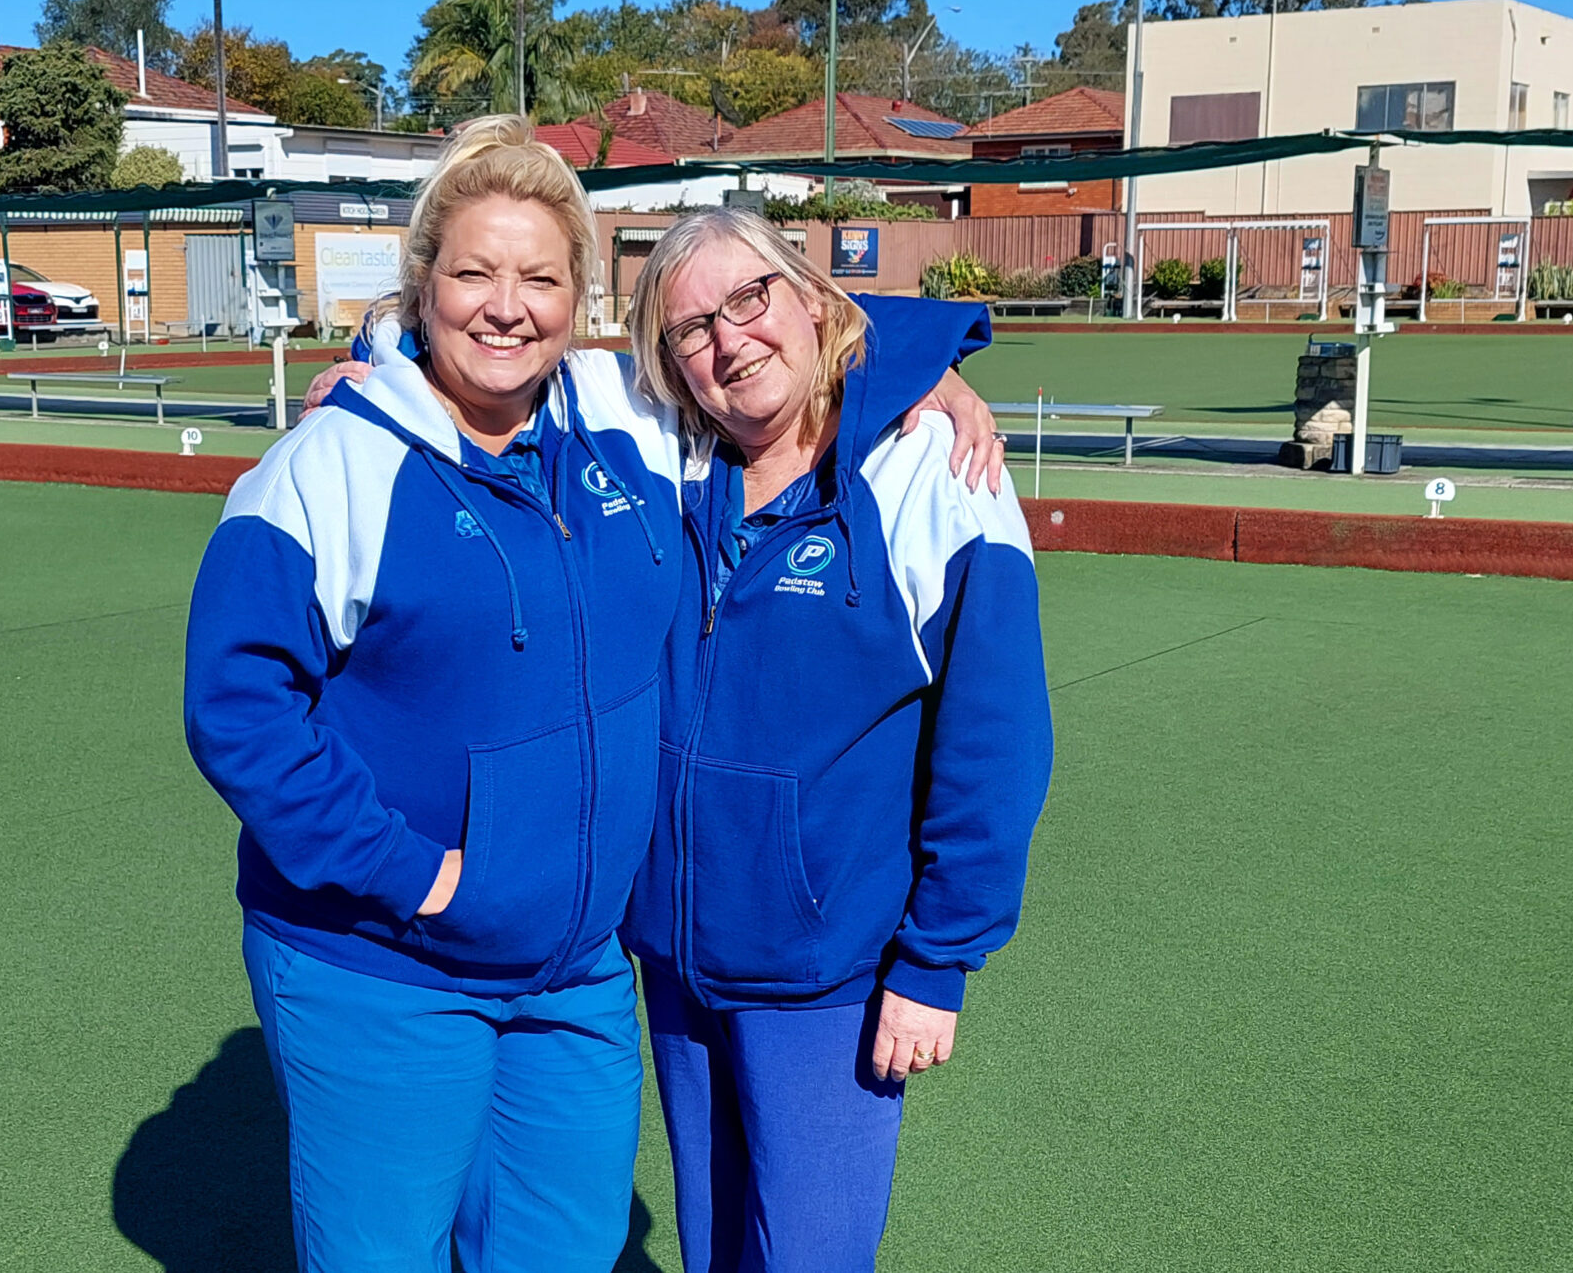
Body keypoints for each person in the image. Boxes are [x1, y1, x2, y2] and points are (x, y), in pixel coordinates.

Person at [182, 116, 1000, 1272]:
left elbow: (780, 343)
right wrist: (412, 870)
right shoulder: (332, 461)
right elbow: (238, 708)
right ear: (421, 285)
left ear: (579, 302)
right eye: (471, 272)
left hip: (574, 976)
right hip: (381, 961)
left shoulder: (625, 421)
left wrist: (933, 369)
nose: (505, 305)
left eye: (538, 277)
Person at [619, 206, 1054, 1273]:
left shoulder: (935, 474)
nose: (727, 341)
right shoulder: (663, 460)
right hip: (674, 963)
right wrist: (368, 366)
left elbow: (994, 747)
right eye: (690, 331)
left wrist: (937, 961)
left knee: (810, 1254)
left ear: (813, 301)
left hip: (831, 976)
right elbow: (494, 332)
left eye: (750, 299)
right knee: (716, 1244)